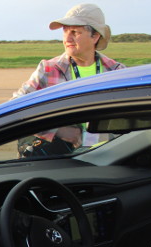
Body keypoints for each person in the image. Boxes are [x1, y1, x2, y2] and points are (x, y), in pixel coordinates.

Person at [13, 3, 124, 154]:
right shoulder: (49, 69)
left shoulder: (116, 72)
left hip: (109, 155)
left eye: (75, 32)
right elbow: (16, 107)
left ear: (95, 36)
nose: (67, 38)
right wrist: (57, 131)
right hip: (62, 160)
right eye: (65, 31)